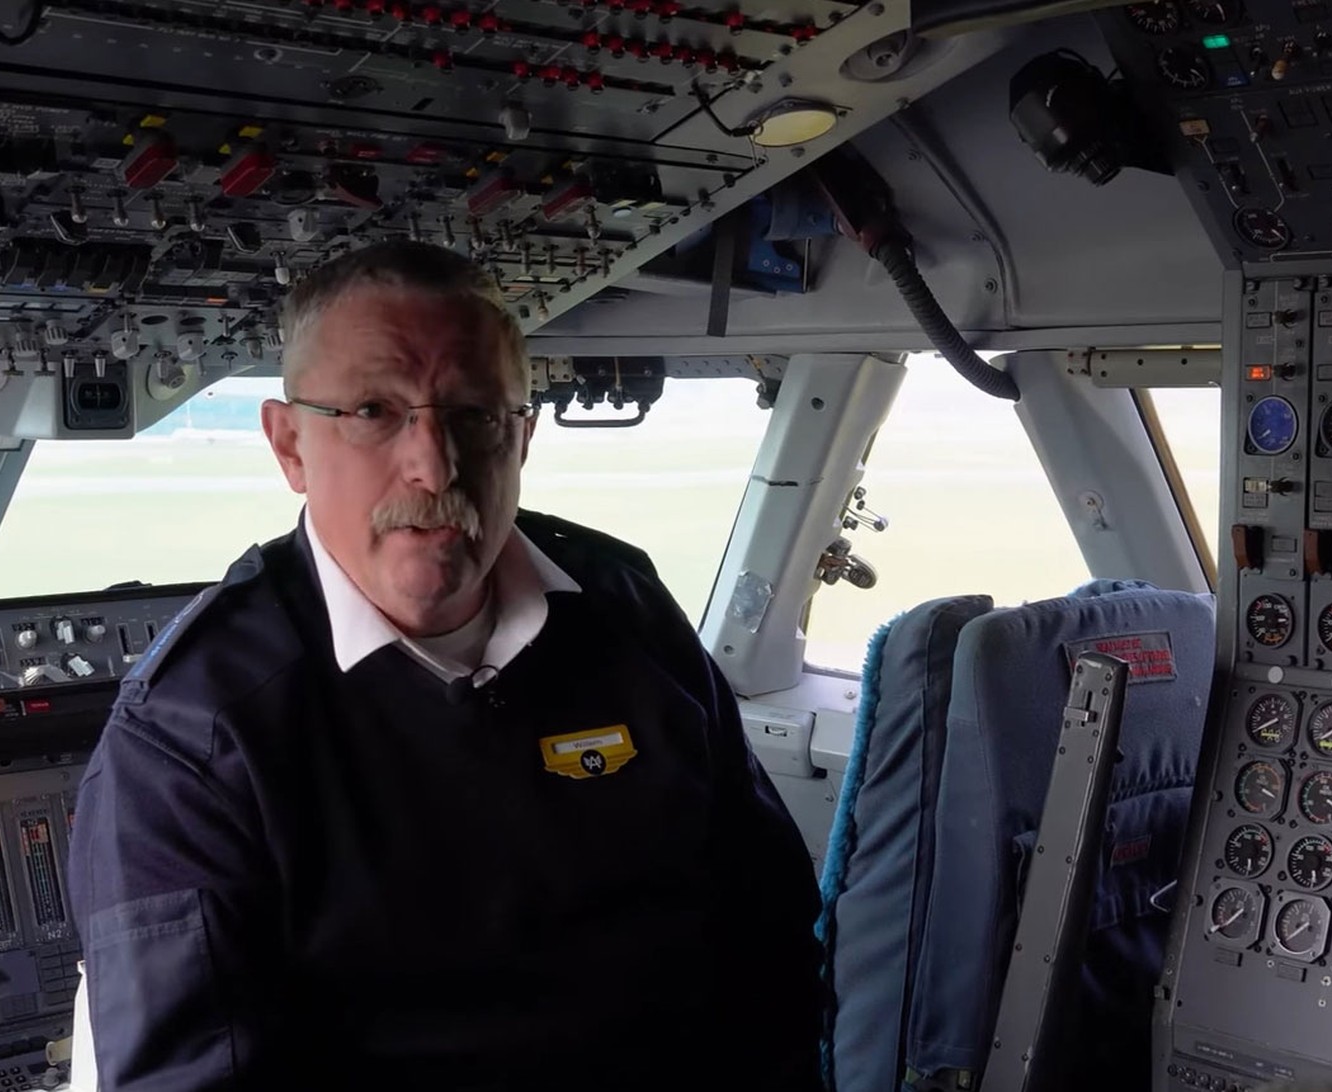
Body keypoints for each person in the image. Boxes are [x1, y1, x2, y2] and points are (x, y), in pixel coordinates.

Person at [67, 240, 825, 1090]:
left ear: (523, 438)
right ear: (289, 445)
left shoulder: (628, 618)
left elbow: (772, 945)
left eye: (474, 414)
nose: (434, 465)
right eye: (374, 413)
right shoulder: (195, 735)